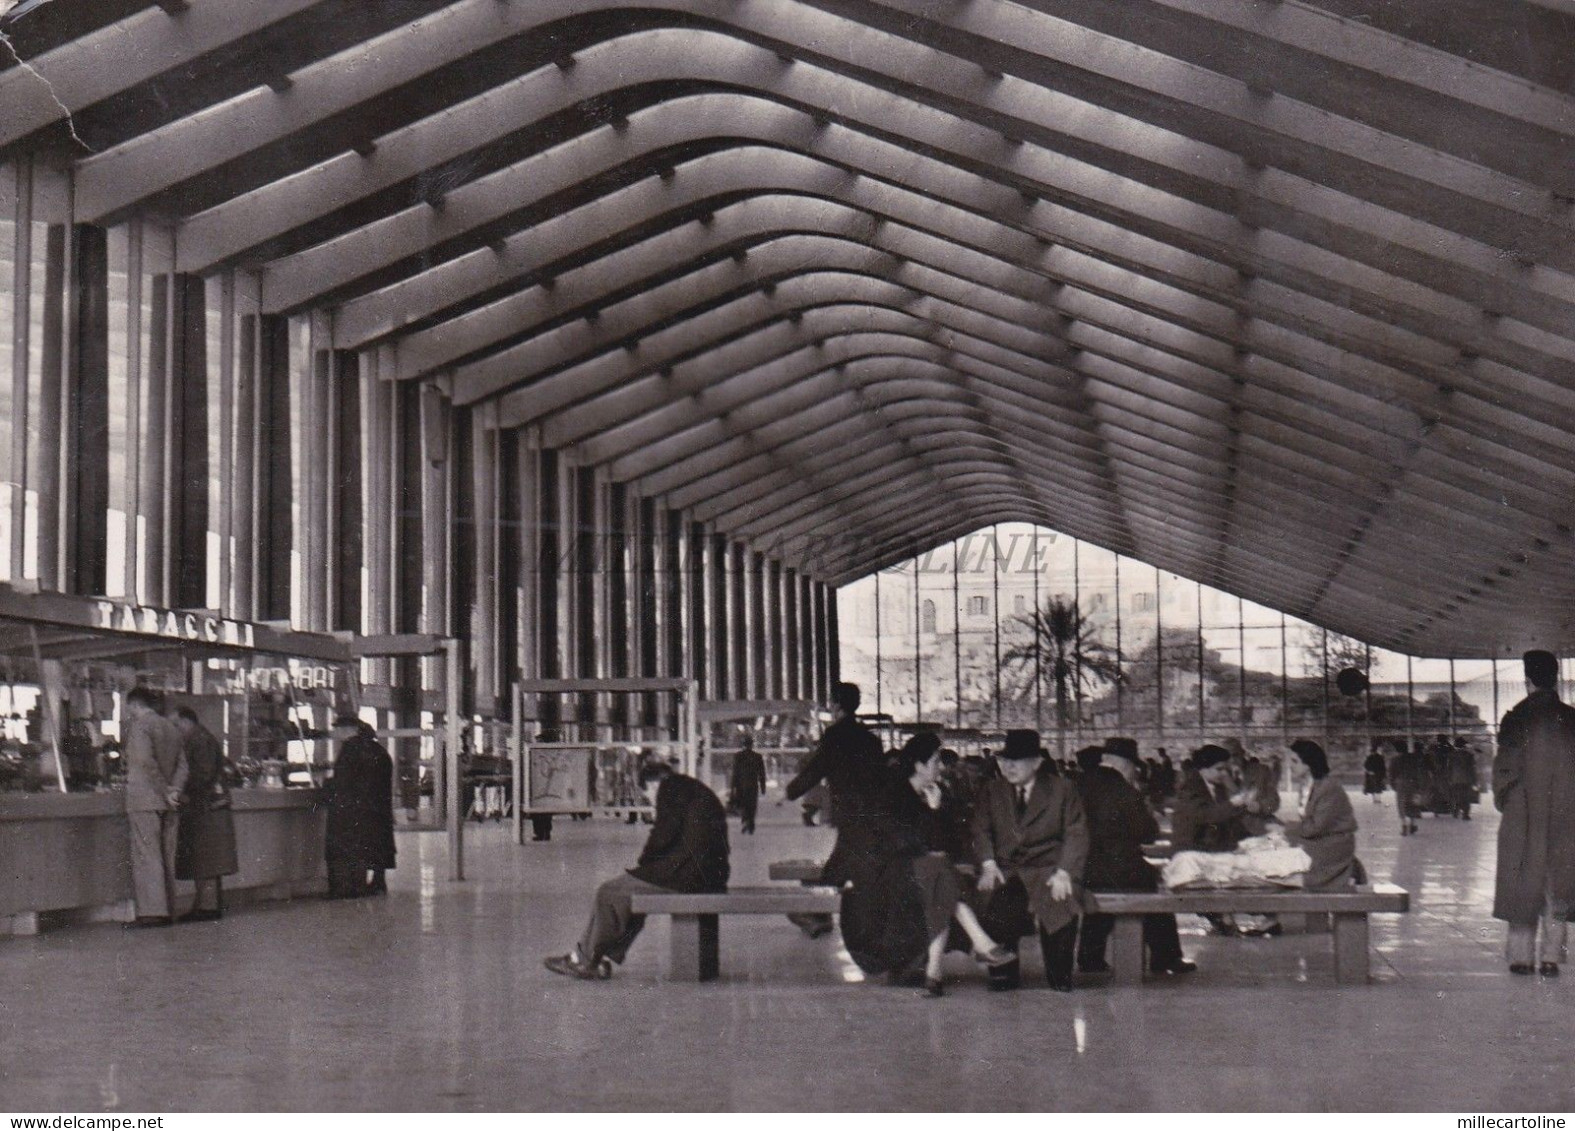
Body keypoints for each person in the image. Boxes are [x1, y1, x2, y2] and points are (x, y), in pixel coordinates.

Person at [544, 757, 729, 979]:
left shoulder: (669, 788)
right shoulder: (687, 787)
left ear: (652, 784)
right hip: (705, 873)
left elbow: (663, 833)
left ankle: (583, 960)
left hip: (688, 875)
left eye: (647, 794)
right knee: (627, 894)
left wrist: (644, 863)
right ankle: (595, 958)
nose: (650, 799)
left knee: (608, 892)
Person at [888, 734, 1014, 997]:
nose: (941, 766)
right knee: (940, 873)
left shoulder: (937, 792)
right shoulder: (896, 795)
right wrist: (932, 812)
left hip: (928, 872)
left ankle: (934, 973)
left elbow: (946, 843)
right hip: (895, 870)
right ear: (919, 765)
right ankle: (980, 943)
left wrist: (936, 810)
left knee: (940, 878)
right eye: (935, 761)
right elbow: (908, 845)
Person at [970, 729, 1090, 992]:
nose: (1008, 766)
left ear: (1036, 763)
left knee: (1061, 902)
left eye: (1017, 760)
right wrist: (988, 864)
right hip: (1006, 868)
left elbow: (1076, 832)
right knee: (996, 899)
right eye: (1004, 760)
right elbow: (980, 829)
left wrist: (1065, 872)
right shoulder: (993, 790)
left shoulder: (1061, 789)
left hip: (1048, 868)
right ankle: (1003, 973)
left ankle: (1060, 975)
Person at [783, 682, 896, 951]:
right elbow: (880, 777)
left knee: (842, 862)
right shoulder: (870, 739)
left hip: (849, 812)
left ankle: (816, 912)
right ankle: (818, 913)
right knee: (845, 860)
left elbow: (817, 768)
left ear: (835, 705)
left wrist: (791, 791)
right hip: (871, 812)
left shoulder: (834, 735)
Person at [1075, 738, 1194, 977]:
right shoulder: (1125, 791)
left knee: (1100, 893)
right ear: (1126, 764)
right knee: (1151, 887)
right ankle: (1166, 957)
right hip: (1118, 867)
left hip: (1079, 868)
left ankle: (1090, 957)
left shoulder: (1077, 783)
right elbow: (1148, 834)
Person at [1493, 650, 1575, 977]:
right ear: (1555, 678)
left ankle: (1521, 958)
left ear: (1527, 680)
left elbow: (1504, 771)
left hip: (1524, 813)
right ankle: (1553, 957)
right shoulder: (1572, 719)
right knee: (1560, 883)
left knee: (1522, 883)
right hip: (1567, 813)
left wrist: (1508, 802)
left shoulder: (1516, 718)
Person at [121, 687, 188, 928]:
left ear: (134, 705)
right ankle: (169, 909)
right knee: (166, 856)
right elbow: (183, 765)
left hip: (145, 799)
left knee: (146, 855)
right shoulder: (171, 727)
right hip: (169, 804)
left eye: (128, 709)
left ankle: (152, 912)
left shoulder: (140, 727)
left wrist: (163, 790)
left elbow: (145, 763)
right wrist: (174, 791)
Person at [1172, 744, 1250, 935]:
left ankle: (1223, 917)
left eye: (1226, 769)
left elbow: (1227, 819)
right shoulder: (1190, 787)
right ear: (1203, 768)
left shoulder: (1215, 785)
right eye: (1219, 769)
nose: (1224, 773)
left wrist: (1245, 840)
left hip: (1209, 845)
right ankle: (1223, 917)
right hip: (1192, 848)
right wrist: (1234, 803)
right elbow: (1207, 816)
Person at [171, 707, 238, 921]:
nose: (174, 730)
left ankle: (207, 907)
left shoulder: (199, 740)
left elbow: (203, 774)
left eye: (175, 724)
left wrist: (180, 788)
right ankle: (205, 905)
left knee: (206, 858)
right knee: (206, 859)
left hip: (206, 807)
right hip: (209, 806)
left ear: (184, 721)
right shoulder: (201, 738)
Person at [323, 715, 397, 899]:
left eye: (337, 728)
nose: (335, 732)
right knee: (376, 844)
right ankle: (378, 881)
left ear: (346, 729)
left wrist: (326, 787)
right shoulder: (379, 749)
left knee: (353, 846)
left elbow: (342, 781)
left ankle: (353, 887)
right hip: (378, 808)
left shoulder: (350, 749)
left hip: (353, 809)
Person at [1286, 739, 1358, 890]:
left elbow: (1315, 827)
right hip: (1320, 841)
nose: (1290, 766)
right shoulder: (1305, 785)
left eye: (1294, 761)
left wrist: (1286, 828)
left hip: (1334, 846)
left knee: (1284, 861)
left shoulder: (1328, 787)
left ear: (1309, 763)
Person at [728, 733, 767, 835]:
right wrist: (763, 787)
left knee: (743, 803)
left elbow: (735, 773)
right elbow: (762, 773)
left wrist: (732, 787)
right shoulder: (758, 757)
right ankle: (751, 823)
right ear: (752, 744)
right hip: (753, 784)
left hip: (741, 784)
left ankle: (746, 821)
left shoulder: (738, 756)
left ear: (743, 744)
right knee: (752, 804)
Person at [1390, 739, 1426, 835]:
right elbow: (1418, 772)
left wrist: (1393, 785)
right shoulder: (1413, 758)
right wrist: (1419, 785)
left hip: (1401, 784)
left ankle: (1404, 825)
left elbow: (1391, 774)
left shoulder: (1394, 760)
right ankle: (1413, 824)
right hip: (1413, 783)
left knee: (1401, 804)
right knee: (1413, 803)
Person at [1449, 738, 1478, 820]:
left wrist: (1450, 779)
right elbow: (1472, 769)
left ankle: (1455, 811)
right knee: (1466, 797)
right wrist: (1474, 781)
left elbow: (1449, 768)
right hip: (1466, 780)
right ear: (1464, 745)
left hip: (1455, 779)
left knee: (1456, 796)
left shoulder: (1451, 755)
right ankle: (1465, 814)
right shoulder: (1469, 755)